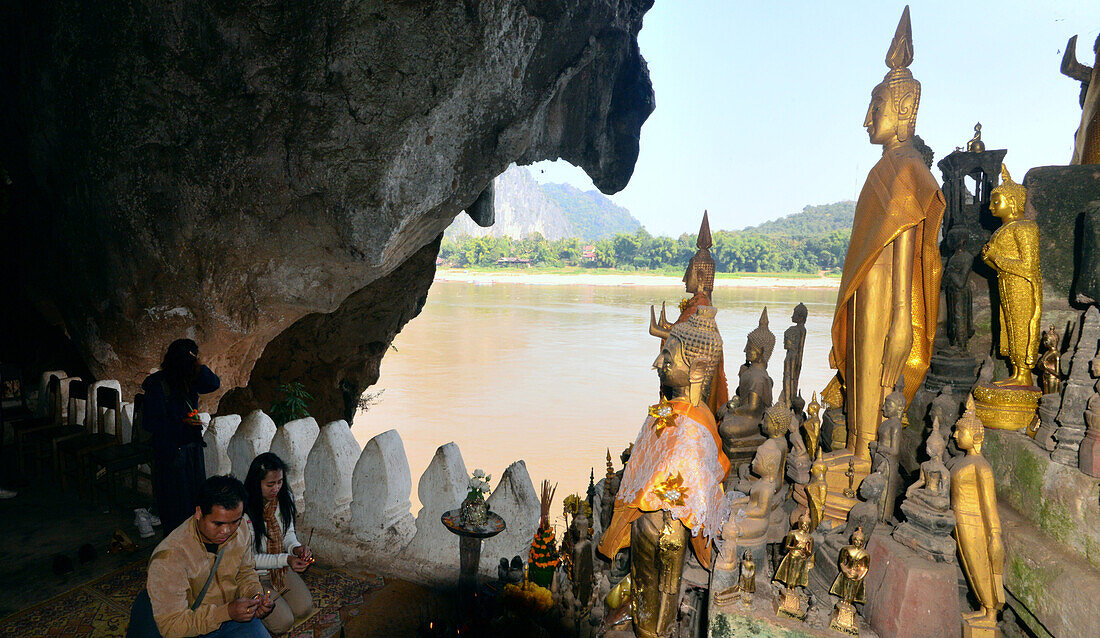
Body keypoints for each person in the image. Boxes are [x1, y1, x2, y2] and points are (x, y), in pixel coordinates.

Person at [127, 475, 274, 638]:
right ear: (199, 513)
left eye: (234, 522)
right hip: (191, 623)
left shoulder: (241, 530)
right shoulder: (169, 558)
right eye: (217, 523)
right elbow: (172, 626)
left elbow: (245, 572)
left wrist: (255, 595)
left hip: (230, 614)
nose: (226, 531)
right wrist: (226, 613)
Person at [143, 339, 221, 536]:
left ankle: (194, 538)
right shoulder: (157, 383)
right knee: (174, 502)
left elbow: (213, 383)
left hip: (191, 449)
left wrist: (198, 364)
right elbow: (151, 422)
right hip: (170, 452)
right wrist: (181, 421)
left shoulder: (190, 378)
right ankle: (175, 541)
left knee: (194, 500)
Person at [243, 453, 315, 634]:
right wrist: (286, 559)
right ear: (256, 483)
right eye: (270, 484)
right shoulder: (244, 512)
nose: (276, 488)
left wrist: (297, 548)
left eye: (280, 482)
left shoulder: (284, 498)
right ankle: (248, 609)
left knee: (304, 608)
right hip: (254, 575)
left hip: (279, 569)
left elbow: (288, 534)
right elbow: (249, 559)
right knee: (283, 623)